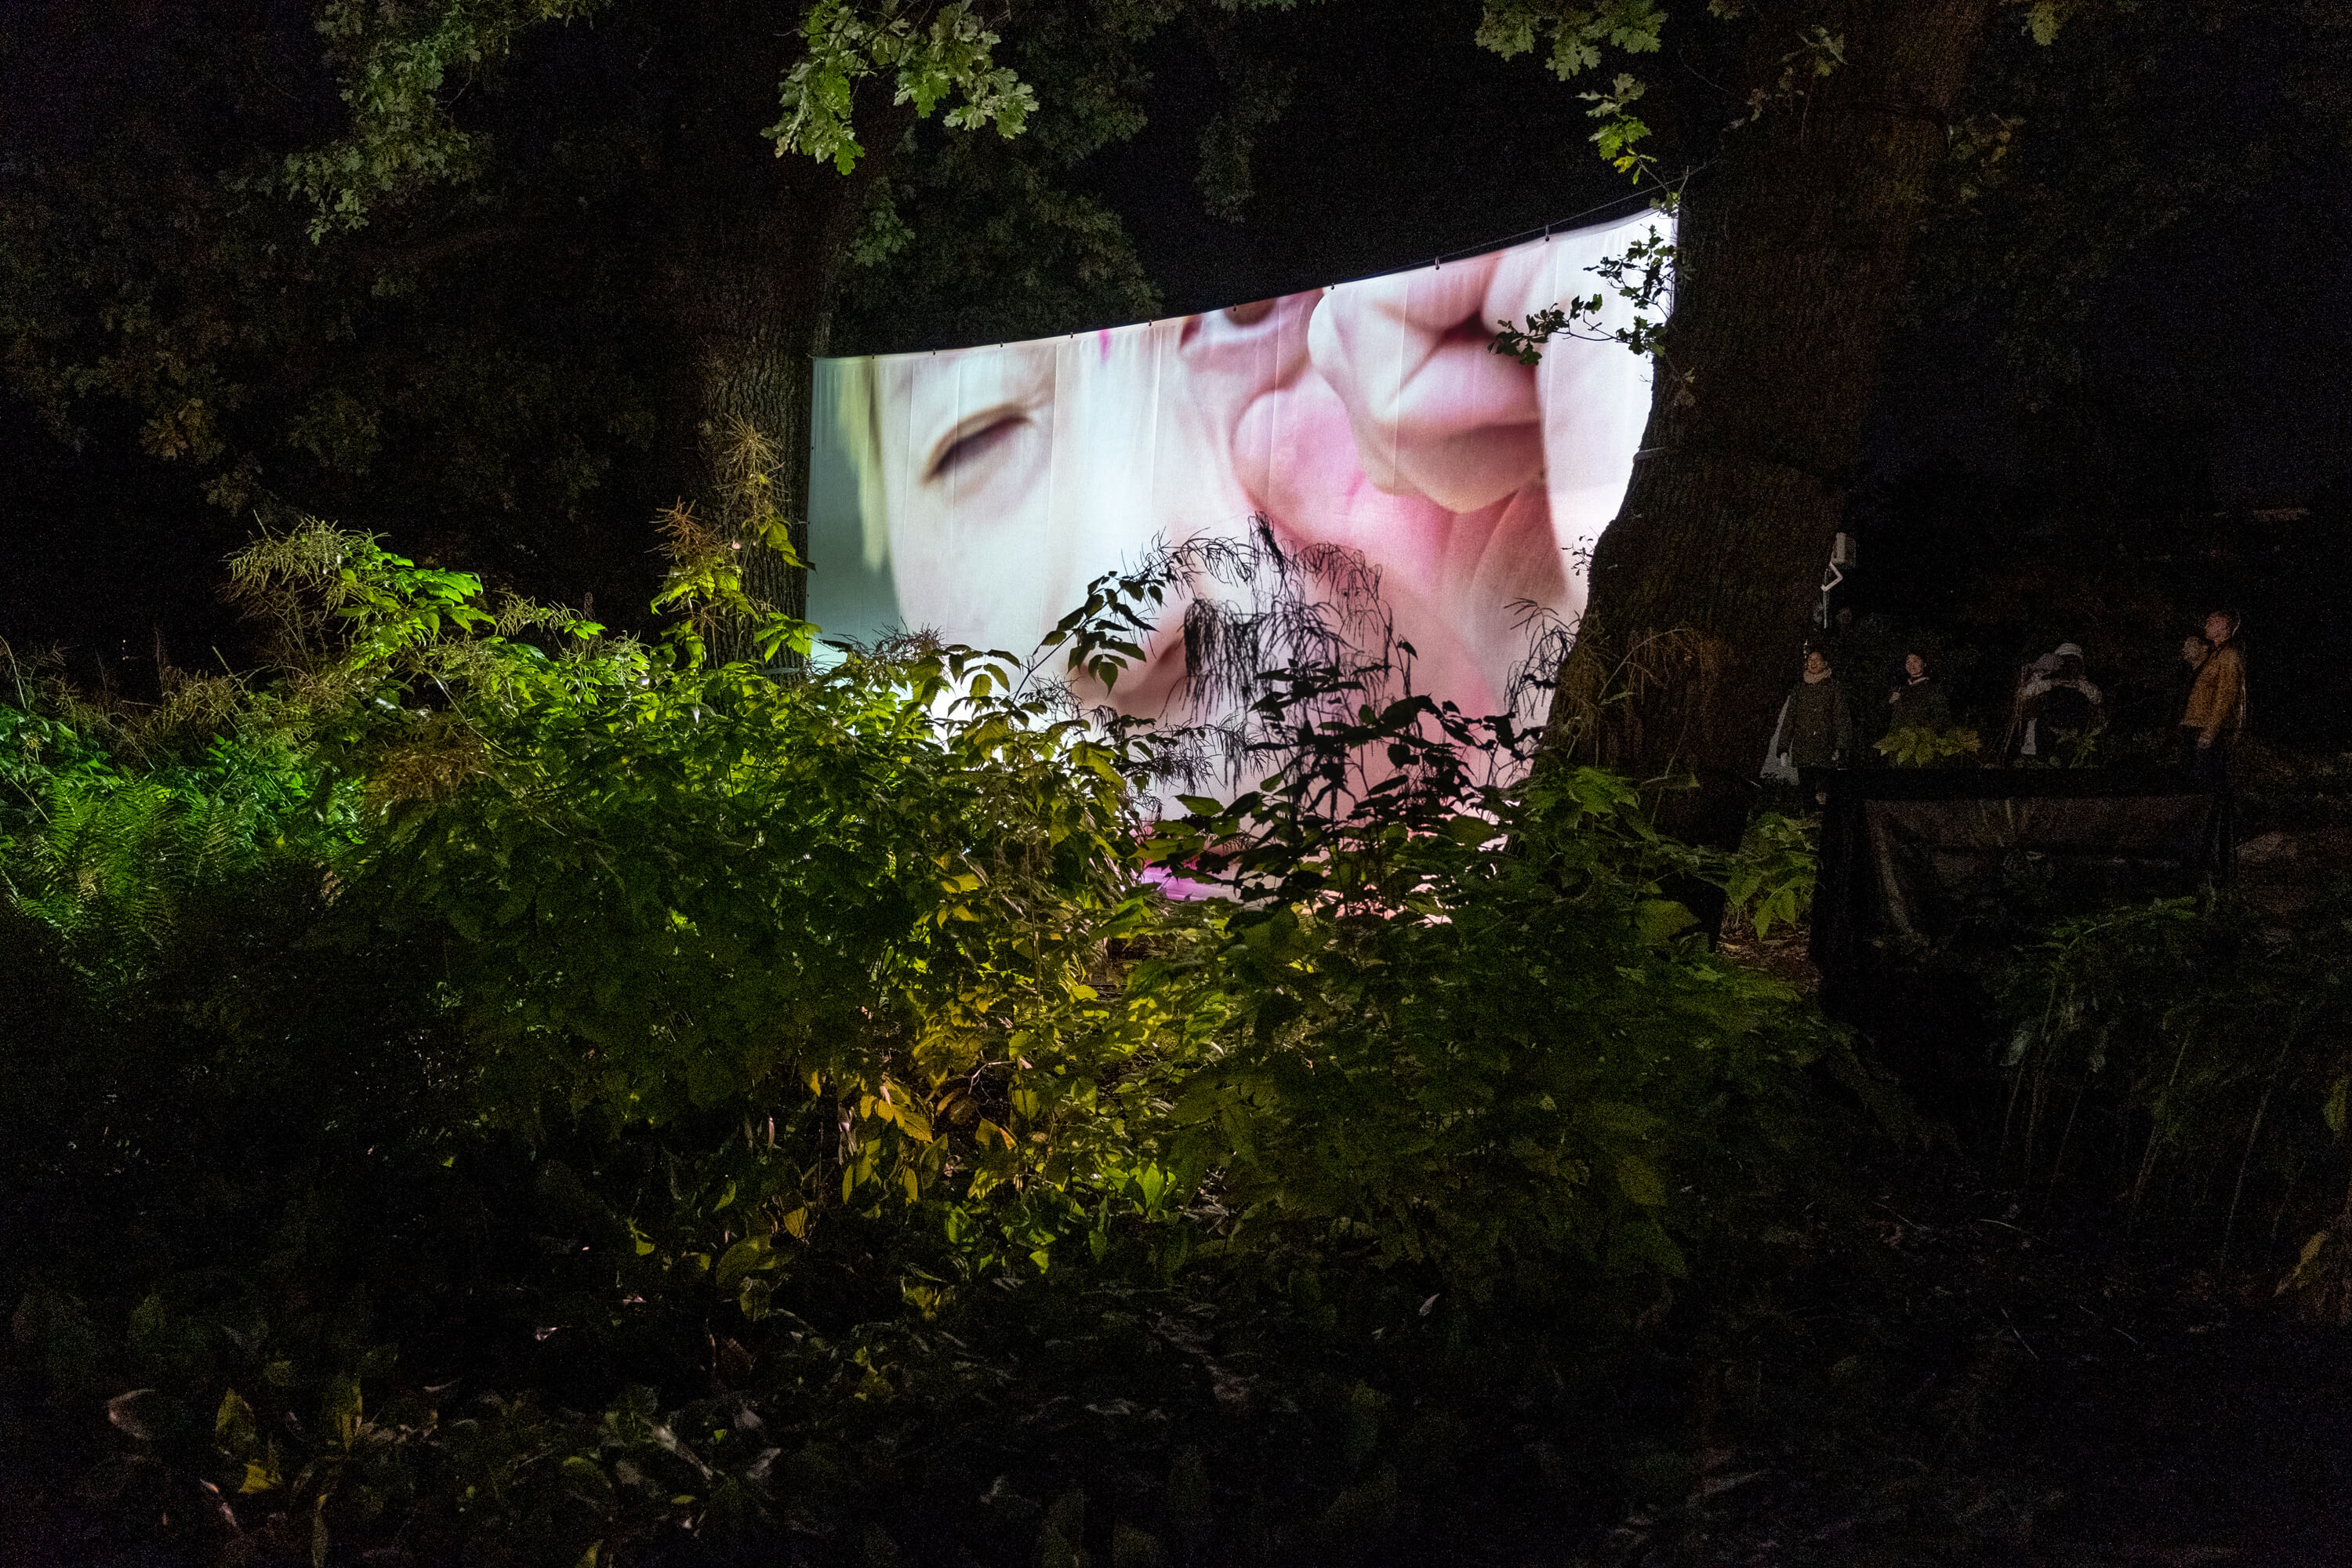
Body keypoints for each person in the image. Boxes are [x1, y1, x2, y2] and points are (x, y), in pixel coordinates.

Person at [1762, 648, 1859, 790]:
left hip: (1827, 748)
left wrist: (1841, 747)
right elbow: (1790, 718)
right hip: (1803, 749)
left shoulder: (1834, 688)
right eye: (1810, 660)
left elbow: (1841, 718)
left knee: (1825, 791)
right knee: (1806, 790)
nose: (1813, 663)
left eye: (1817, 660)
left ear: (1825, 663)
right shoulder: (1799, 688)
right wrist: (1783, 747)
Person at [2180, 611, 2248, 782]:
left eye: (2211, 623)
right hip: (2202, 724)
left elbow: (2226, 696)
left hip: (2213, 729)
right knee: (2196, 778)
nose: (2206, 626)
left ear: (2224, 626)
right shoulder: (2216, 655)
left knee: (2206, 781)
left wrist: (2210, 732)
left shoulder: (2229, 656)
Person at [1884, 650, 1953, 735]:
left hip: (1921, 738)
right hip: (1897, 737)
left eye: (1915, 661)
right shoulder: (1899, 688)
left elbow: (1942, 718)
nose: (1911, 665)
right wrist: (1890, 702)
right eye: (1908, 662)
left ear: (1924, 663)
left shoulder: (1933, 688)